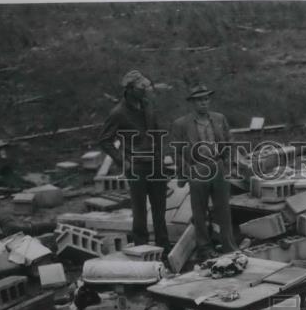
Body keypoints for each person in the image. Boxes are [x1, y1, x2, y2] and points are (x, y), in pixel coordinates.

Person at [97, 70, 169, 248]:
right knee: (140, 211)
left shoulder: (147, 105)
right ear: (129, 89)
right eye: (141, 87)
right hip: (136, 167)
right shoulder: (118, 113)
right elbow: (104, 140)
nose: (145, 90)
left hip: (155, 166)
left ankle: (164, 246)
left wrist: (160, 157)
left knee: (160, 209)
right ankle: (141, 247)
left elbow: (157, 131)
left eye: (146, 86)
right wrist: (123, 161)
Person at [171, 83, 237, 260]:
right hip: (197, 169)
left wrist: (227, 164)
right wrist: (188, 171)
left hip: (218, 167)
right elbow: (175, 152)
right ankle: (205, 248)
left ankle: (229, 247)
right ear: (192, 102)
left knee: (223, 210)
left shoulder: (219, 118)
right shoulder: (181, 124)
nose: (204, 103)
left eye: (206, 99)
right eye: (199, 100)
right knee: (199, 212)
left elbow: (229, 141)